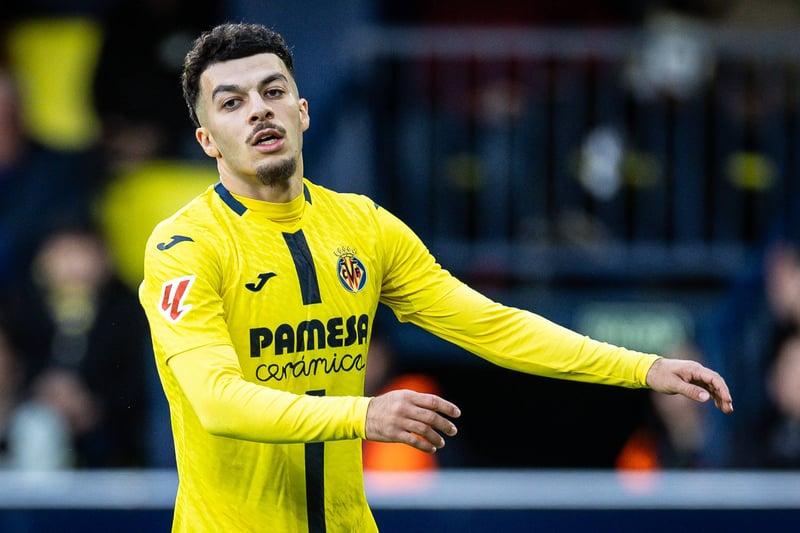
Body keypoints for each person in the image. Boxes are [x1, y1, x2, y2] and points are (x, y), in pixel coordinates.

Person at [137, 22, 734, 532]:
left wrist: (641, 367)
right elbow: (217, 402)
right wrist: (364, 415)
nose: (259, 109)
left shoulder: (363, 226)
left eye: (273, 91)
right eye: (232, 103)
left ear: (302, 111)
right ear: (207, 140)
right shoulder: (185, 248)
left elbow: (492, 325)